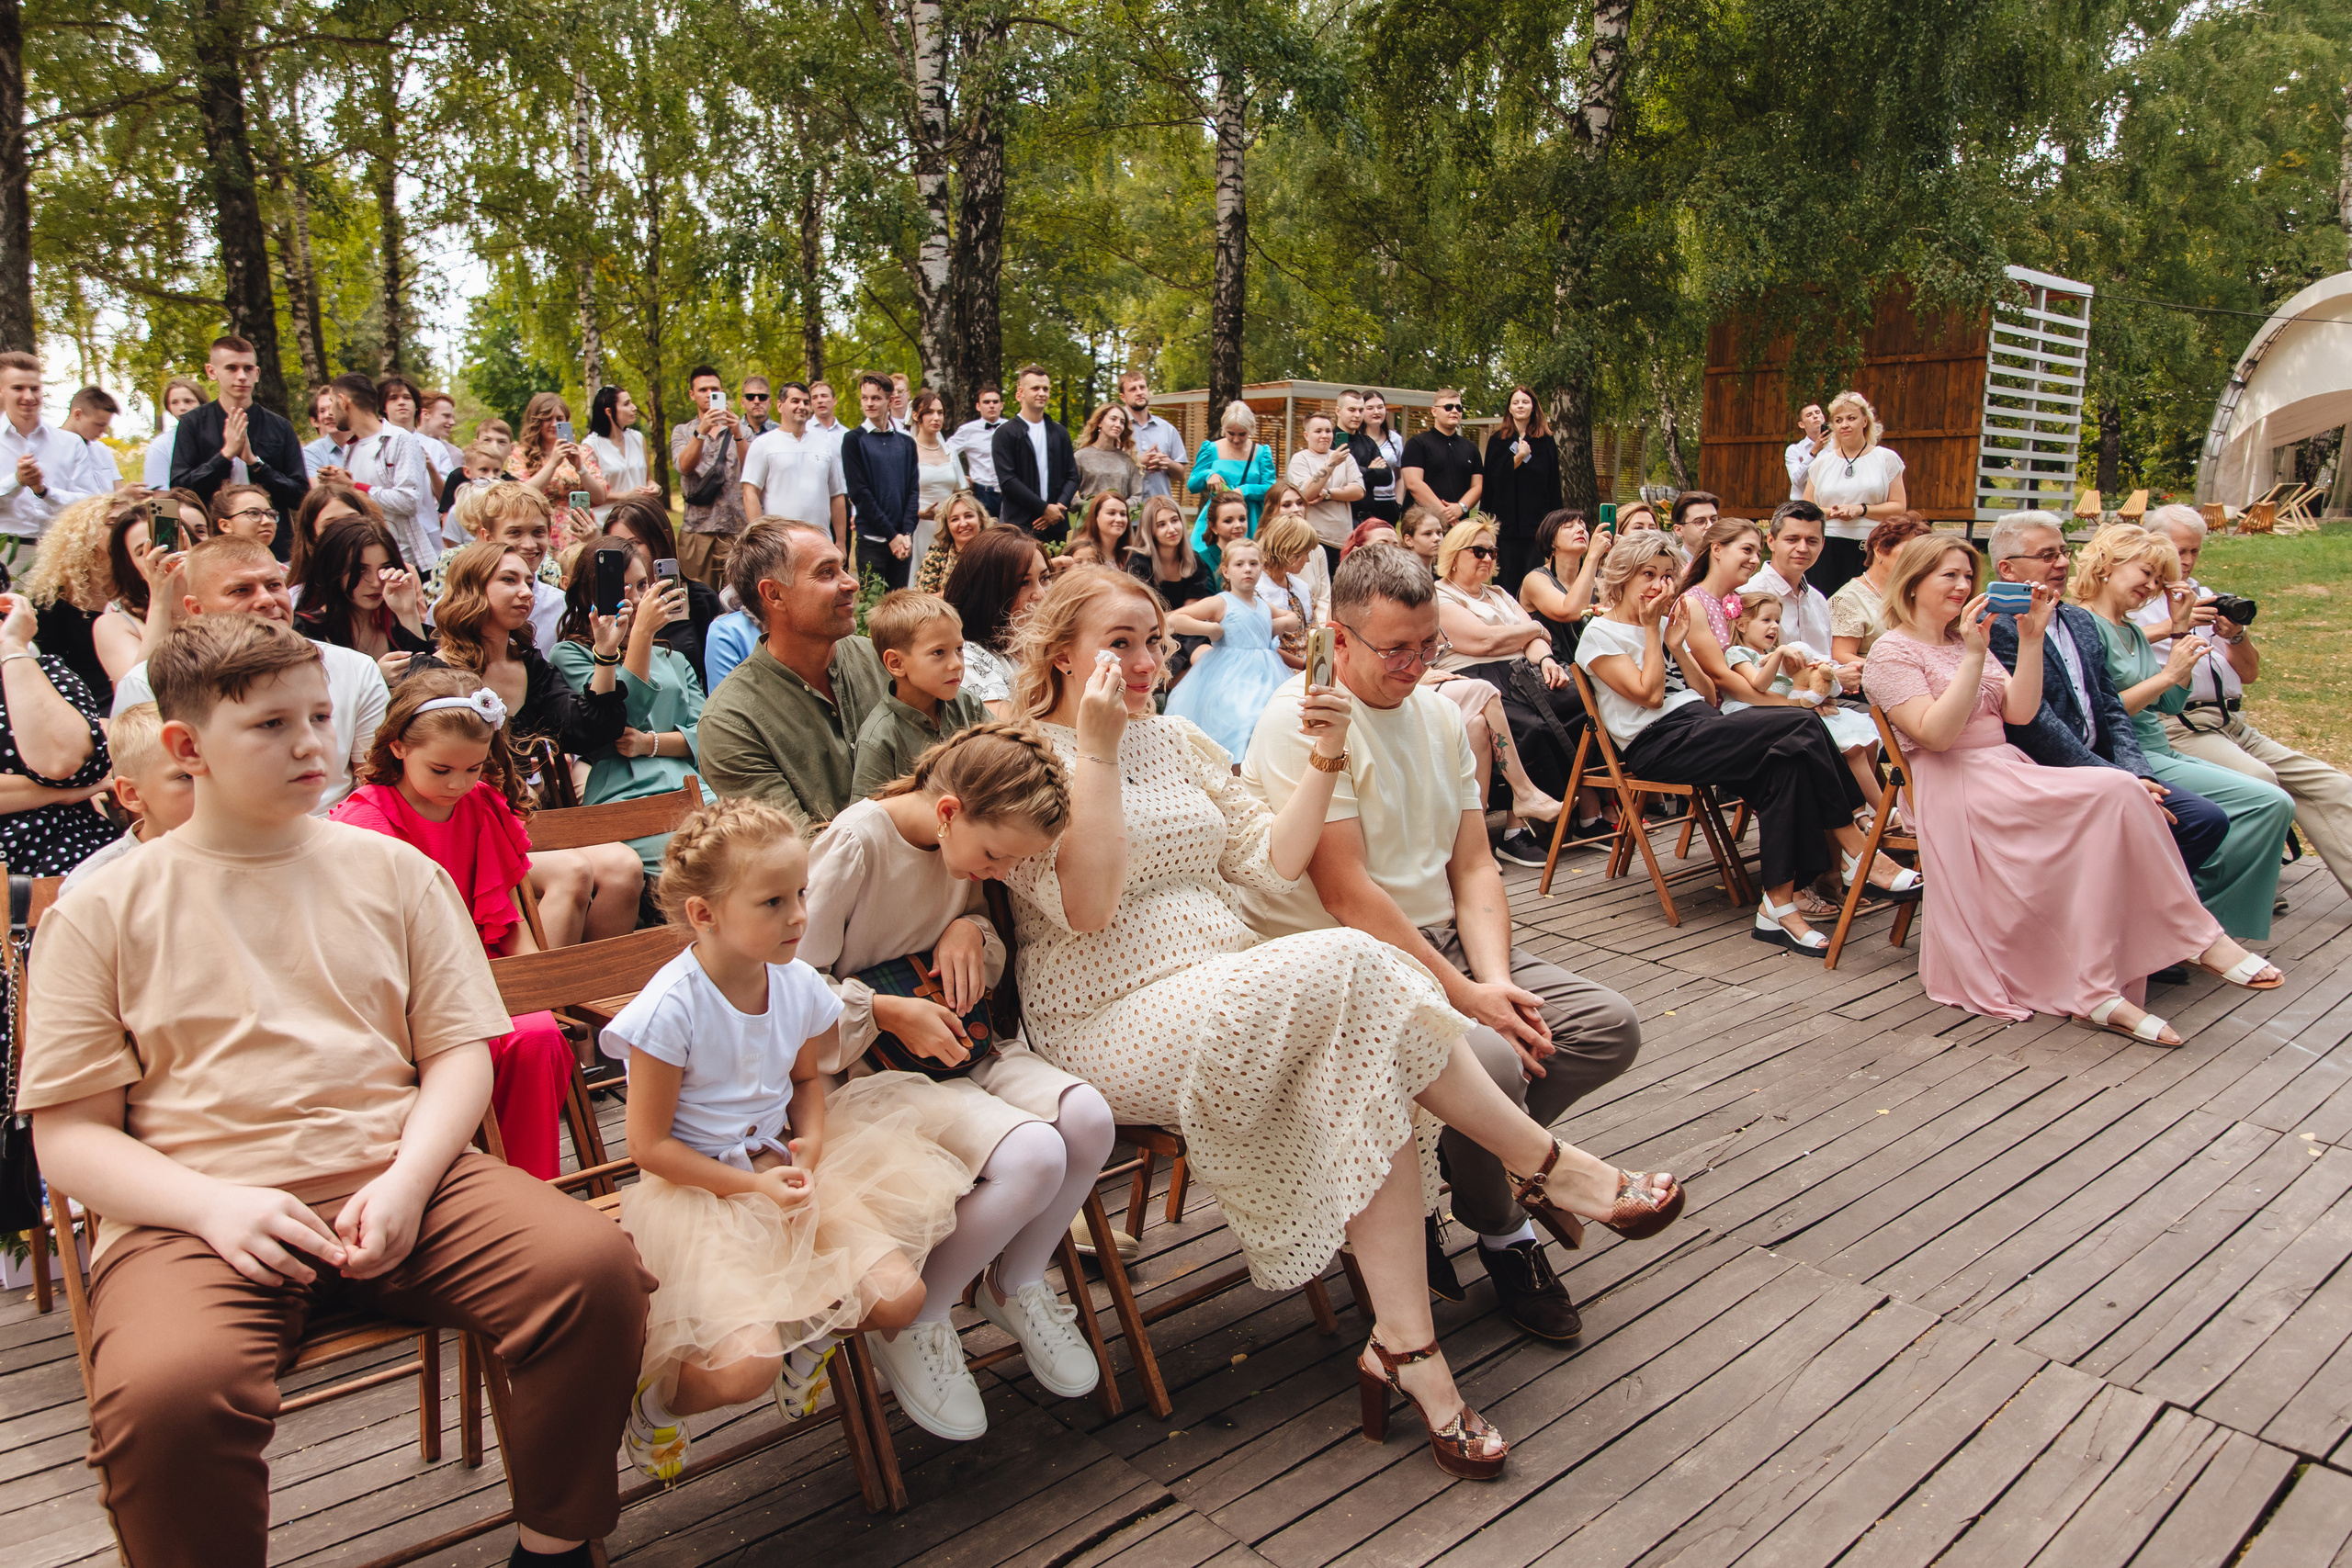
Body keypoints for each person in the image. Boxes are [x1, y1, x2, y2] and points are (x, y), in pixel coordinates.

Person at [1001, 565, 1683, 1482]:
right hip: (1109, 1009)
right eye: (1118, 644)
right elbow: (1087, 909)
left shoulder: (1178, 740)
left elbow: (1271, 861)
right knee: (1357, 962)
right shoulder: (1024, 757)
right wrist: (1095, 749)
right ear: (1061, 655)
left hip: (1220, 981)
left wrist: (1326, 757)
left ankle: (1408, 1350)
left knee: (1368, 1061)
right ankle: (1551, 1168)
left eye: (1154, 641)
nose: (1145, 661)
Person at [23, 614, 654, 1568]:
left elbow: (459, 1054)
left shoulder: (396, 872)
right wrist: (214, 1207)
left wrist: (408, 1179)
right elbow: (69, 1137)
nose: (310, 744)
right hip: (192, 1215)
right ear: (187, 747)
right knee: (166, 1399)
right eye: (271, 725)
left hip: (405, 1178)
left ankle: (554, 1548)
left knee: (592, 1272)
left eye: (319, 716)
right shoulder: (100, 909)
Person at [1241, 545, 1642, 1342]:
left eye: (1430, 645)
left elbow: (1475, 865)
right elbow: (1347, 893)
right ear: (1339, 637)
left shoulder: (1439, 711)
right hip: (1360, 956)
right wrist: (1470, 1001)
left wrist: (1493, 984)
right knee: (1496, 1061)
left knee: (1608, 1026)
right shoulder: (1304, 719)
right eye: (1397, 649)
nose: (1417, 664)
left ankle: (1466, 1161)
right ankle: (1507, 1232)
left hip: (1448, 941)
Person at [602, 796, 963, 1479]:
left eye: (800, 893)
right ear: (704, 914)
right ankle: (654, 1403)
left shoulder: (796, 984)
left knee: (899, 1297)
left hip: (781, 1162)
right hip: (697, 1188)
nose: (799, 915)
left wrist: (813, 1145)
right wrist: (752, 1187)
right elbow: (647, 1147)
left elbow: (803, 1081)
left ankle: (809, 1337)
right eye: (773, 902)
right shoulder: (669, 1010)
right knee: (745, 1368)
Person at [806, 724, 1115, 1433]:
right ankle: (918, 1313)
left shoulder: (963, 855)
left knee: (1088, 1120)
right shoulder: (858, 844)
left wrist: (972, 930)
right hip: (871, 1070)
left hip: (964, 1044)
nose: (998, 873)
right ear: (948, 811)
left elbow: (984, 941)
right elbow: (787, 986)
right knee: (1034, 1155)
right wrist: (883, 1010)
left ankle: (1014, 1280)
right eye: (996, 856)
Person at [1863, 535, 2282, 1040]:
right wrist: (1974, 656)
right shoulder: (1891, 652)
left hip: (2006, 768)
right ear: (1912, 582)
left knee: (2123, 789)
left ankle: (2130, 968)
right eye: (1948, 575)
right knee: (2114, 792)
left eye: (1967, 575)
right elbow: (1936, 736)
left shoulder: (1963, 639)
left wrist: (2032, 639)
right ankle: (2167, 952)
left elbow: (2019, 713)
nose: (1962, 585)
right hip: (1954, 783)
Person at [1577, 532, 1894, 953]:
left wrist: (1677, 647)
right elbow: (1650, 696)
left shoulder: (1668, 625)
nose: (1658, 585)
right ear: (1622, 576)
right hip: (1658, 742)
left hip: (1704, 725)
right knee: (1800, 722)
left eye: (1667, 576)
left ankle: (1778, 907)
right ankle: (1858, 848)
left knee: (1789, 765)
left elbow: (1707, 694)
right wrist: (1653, 631)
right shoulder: (1600, 634)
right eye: (1647, 574)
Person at [326, 670, 579, 1180]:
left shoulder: (481, 804)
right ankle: (468, 1178)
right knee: (477, 1046)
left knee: (540, 1035)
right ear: (398, 747)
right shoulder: (365, 824)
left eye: (473, 768)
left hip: (485, 974)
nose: (458, 784)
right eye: (441, 769)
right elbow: (369, 950)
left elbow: (508, 918)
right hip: (411, 989)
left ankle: (532, 1183)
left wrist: (540, 987)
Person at [1982, 511, 2233, 890]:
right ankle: (2114, 909)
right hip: (2043, 771)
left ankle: (2131, 910)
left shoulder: (2078, 621)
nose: (2062, 562)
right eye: (2048, 555)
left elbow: (2112, 710)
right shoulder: (1995, 625)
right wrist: (2120, 779)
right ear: (2008, 569)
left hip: (2103, 764)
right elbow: (2036, 725)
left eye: (2064, 551)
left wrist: (2138, 773)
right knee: (2158, 817)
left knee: (2204, 819)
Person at [2074, 525, 2293, 942]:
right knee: (2267, 802)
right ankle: (2193, 919)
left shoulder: (2130, 630)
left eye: (2159, 579)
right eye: (2146, 573)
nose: (2151, 586)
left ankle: (2195, 918)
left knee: (2270, 800)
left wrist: (2179, 632)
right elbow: (2097, 713)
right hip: (2131, 754)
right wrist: (2168, 674)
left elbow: (2171, 704)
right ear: (2106, 565)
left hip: (2161, 747)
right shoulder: (2083, 624)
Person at [2133, 503, 2352, 904]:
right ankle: (2246, 888)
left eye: (2195, 551)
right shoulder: (2137, 600)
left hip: (2230, 722)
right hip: (2178, 724)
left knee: (2334, 785)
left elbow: (2249, 674)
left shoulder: (2205, 596)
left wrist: (2234, 635)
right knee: (2259, 779)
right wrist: (2175, 625)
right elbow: (2109, 638)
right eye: (2179, 550)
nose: (2187, 560)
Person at [113, 536, 388, 814]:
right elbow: (148, 801)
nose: (266, 600)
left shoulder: (355, 667)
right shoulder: (147, 683)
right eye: (241, 590)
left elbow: (375, 781)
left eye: (274, 585)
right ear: (196, 609)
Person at [698, 520, 890, 829]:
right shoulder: (731, 721)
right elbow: (793, 847)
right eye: (826, 572)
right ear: (774, 594)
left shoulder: (881, 660)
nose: (851, 583)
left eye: (842, 568)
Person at [545, 546, 711, 877]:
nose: (636, 599)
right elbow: (619, 718)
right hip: (623, 791)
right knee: (698, 862)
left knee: (736, 847)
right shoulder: (571, 654)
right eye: (623, 589)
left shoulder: (675, 659)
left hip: (691, 784)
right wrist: (641, 635)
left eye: (642, 585)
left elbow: (707, 733)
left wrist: (650, 743)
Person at [1430, 518, 1573, 863]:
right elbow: (1482, 641)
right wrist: (1531, 629)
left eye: (1492, 552)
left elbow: (1536, 639)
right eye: (1478, 551)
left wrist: (1546, 659)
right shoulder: (1440, 595)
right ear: (1454, 555)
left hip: (1521, 674)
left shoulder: (1499, 594)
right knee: (1529, 727)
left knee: (1574, 712)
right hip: (1473, 677)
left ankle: (1580, 815)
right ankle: (1514, 830)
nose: (1488, 558)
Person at [0, 589, 114, 874]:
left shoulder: (42, 673)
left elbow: (62, 761)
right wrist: (60, 793)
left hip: (68, 865)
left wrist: (13, 647)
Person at [1166, 538, 1299, 763]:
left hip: (1266, 675)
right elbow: (1174, 619)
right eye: (1239, 564)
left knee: (1267, 718)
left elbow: (1293, 619)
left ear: (1261, 568)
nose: (1247, 569)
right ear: (1226, 572)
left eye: (1254, 564)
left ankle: (1258, 769)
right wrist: (1209, 629)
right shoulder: (1221, 602)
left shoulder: (1263, 605)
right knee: (1241, 722)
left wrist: (1280, 624)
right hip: (1230, 676)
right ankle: (1234, 769)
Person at [167, 338, 308, 551]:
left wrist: (256, 464)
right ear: (211, 372)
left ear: (257, 373)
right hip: (212, 545)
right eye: (231, 368)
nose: (241, 376)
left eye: (248, 368)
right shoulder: (193, 424)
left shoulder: (280, 427)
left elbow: (301, 496)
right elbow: (181, 490)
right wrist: (225, 456)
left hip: (274, 546)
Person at [850, 590, 986, 798]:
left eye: (959, 649)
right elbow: (867, 814)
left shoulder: (968, 704)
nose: (956, 664)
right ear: (896, 663)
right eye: (938, 652)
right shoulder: (880, 738)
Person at [19, 494, 151, 707]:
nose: (121, 530)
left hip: (138, 689)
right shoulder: (51, 599)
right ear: (85, 534)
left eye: (126, 524)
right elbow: (47, 666)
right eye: (111, 524)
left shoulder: (146, 586)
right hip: (81, 699)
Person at [59, 701, 190, 896]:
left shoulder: (238, 858)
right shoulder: (94, 884)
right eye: (187, 777)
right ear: (132, 794)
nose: (211, 788)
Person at [314, 373, 439, 572]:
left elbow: (409, 501)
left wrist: (353, 486)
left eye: (331, 403)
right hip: (367, 561)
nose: (330, 413)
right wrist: (340, 485)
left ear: (343, 401)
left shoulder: (400, 440)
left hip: (407, 563)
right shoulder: (350, 447)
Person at [602, 495, 727, 690]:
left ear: (663, 539)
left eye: (635, 543)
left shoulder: (699, 599)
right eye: (618, 545)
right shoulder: (607, 604)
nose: (628, 552)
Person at [1803, 389, 1906, 598]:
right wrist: (1833, 512)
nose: (1845, 425)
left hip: (1869, 547)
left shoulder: (1886, 458)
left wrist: (1860, 510)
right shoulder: (1821, 463)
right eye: (1838, 420)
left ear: (1865, 421)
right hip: (1827, 547)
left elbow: (1898, 506)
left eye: (1851, 418)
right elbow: (1807, 508)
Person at [291, 516, 431, 661]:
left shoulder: (396, 623)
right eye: (360, 570)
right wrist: (376, 674)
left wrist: (408, 613)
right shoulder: (306, 633)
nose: (376, 583)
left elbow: (429, 671)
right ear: (333, 570)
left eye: (384, 568)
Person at [946, 525, 1049, 718]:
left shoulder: (1042, 644)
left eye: (1044, 578)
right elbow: (1011, 730)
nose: (1041, 594)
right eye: (1024, 583)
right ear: (987, 593)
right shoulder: (968, 657)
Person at [740, 379, 848, 545]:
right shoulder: (763, 444)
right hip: (780, 542)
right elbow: (750, 493)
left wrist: (840, 541)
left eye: (806, 402)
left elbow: (837, 496)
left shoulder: (825, 446)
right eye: (795, 401)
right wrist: (760, 537)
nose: (802, 406)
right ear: (780, 406)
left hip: (820, 541)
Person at [673, 367, 754, 589]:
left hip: (737, 528)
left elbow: (752, 469)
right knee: (698, 597)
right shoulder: (683, 431)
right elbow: (684, 466)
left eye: (715, 389)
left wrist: (737, 434)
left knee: (739, 597)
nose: (709, 394)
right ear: (692, 395)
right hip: (697, 528)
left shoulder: (744, 431)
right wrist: (701, 431)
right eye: (703, 390)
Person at [842, 373, 921, 590]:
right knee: (872, 606)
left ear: (889, 400)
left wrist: (906, 533)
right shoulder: (853, 439)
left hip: (902, 542)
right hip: (872, 540)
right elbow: (859, 493)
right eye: (864, 398)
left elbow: (913, 491)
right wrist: (891, 536)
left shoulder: (906, 443)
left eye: (876, 398)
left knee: (900, 605)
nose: (869, 403)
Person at [1828, 512, 1934, 666]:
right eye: (1909, 551)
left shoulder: (1919, 591)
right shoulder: (1847, 600)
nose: (1917, 559)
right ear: (1879, 549)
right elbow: (1840, 656)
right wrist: (1898, 669)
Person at [1482, 388, 1557, 593]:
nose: (1520, 406)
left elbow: (1553, 483)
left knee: (1534, 581)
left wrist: (1554, 525)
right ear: (1509, 409)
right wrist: (1519, 456)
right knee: (1505, 581)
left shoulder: (1545, 440)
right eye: (1516, 403)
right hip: (1505, 525)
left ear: (1533, 407)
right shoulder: (1498, 440)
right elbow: (1493, 480)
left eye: (1525, 402)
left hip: (1536, 525)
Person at [992, 365, 1079, 541]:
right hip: (1020, 525)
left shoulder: (1060, 433)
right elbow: (1008, 481)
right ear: (1020, 393)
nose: (1042, 393)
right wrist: (1044, 509)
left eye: (1045, 389)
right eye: (1035, 388)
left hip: (1056, 524)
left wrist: (1059, 507)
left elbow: (1072, 476)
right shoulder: (1005, 433)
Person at [508, 392, 607, 538]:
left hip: (578, 532)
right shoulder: (520, 454)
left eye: (560, 419)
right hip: (539, 532)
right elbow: (519, 497)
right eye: (547, 419)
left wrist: (580, 468)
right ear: (536, 422)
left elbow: (600, 497)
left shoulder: (582, 452)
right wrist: (553, 463)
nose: (554, 424)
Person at [1519, 507, 1605, 665]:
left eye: (1583, 526)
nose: (1580, 530)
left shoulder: (1598, 581)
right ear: (1551, 541)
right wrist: (1593, 557)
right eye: (1569, 526)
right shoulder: (1535, 579)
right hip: (1552, 668)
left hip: (1593, 666)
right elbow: (1570, 611)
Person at [1186, 398, 1275, 549]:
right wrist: (1208, 474)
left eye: (1242, 434)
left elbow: (1271, 489)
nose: (1236, 439)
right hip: (1219, 517)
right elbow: (1192, 485)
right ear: (1224, 428)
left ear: (1251, 429)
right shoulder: (1210, 449)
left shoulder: (1261, 453)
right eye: (1231, 433)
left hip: (1250, 518)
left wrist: (1244, 490)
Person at [1287, 412, 1365, 570]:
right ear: (1306, 435)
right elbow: (1307, 493)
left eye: (1328, 431)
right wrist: (1331, 464)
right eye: (1318, 431)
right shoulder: (1300, 459)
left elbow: (1359, 491)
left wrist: (1328, 494)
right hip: (1313, 540)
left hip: (1342, 541)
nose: (1324, 435)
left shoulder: (1346, 458)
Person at [905, 389, 969, 570]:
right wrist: (918, 513)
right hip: (919, 526)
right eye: (929, 412)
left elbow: (961, 492)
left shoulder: (950, 451)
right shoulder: (908, 451)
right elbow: (897, 495)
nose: (936, 418)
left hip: (949, 527)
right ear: (916, 416)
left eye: (940, 413)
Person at [1401, 389, 1483, 528]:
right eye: (1448, 407)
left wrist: (1461, 507)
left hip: (1458, 525)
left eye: (1458, 407)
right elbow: (1413, 483)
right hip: (1421, 524)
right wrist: (1444, 513)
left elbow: (1478, 485)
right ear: (1434, 411)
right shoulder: (1417, 443)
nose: (1454, 411)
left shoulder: (1471, 448)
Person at [585, 385, 662, 525]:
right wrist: (627, 496)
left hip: (640, 519)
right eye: (626, 404)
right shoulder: (591, 445)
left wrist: (655, 488)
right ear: (609, 411)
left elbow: (648, 479)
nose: (634, 407)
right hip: (608, 522)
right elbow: (592, 495)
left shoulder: (638, 438)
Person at [1255, 507, 1332, 633]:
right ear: (1289, 551)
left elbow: (1313, 630)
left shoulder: (1300, 587)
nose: (1308, 560)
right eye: (1305, 553)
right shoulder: (1255, 589)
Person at [1119, 371, 1189, 501]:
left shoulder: (1167, 429)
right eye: (1133, 389)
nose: (1139, 392)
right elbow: (1106, 471)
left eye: (1142, 387)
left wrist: (1167, 463)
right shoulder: (1117, 427)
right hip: (1125, 508)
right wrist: (1138, 463)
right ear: (1123, 397)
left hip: (1161, 508)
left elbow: (1181, 474)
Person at [946, 384, 1007, 519]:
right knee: (984, 531)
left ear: (1001, 405)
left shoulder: (1012, 427)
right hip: (982, 493)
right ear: (978, 406)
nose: (991, 405)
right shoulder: (967, 431)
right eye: (986, 402)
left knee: (1011, 530)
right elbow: (946, 452)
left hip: (1009, 491)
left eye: (995, 402)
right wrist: (959, 477)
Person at [915, 490, 990, 596]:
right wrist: (953, 593)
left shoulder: (995, 552)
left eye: (968, 516)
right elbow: (921, 599)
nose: (963, 524)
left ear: (980, 520)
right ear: (947, 526)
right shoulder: (936, 554)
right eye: (955, 519)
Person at [140, 376, 207, 491]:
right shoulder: (160, 445)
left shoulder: (223, 435)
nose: (182, 407)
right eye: (174, 402)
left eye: (188, 401)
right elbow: (158, 493)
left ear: (202, 403)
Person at [1351, 390, 1406, 525]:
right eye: (1370, 408)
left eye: (1380, 407)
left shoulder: (1395, 439)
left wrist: (1398, 503)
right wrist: (1371, 471)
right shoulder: (1355, 439)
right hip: (1363, 503)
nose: (1376, 412)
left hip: (1388, 504)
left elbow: (1399, 476)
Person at [1073, 403, 1140, 508]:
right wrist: (1090, 506)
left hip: (1119, 517)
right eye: (1113, 419)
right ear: (1100, 422)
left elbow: (1137, 496)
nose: (1118, 425)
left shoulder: (1127, 460)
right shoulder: (1081, 457)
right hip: (1089, 517)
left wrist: (1117, 507)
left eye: (1122, 422)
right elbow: (1068, 494)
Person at [1784, 401, 1826, 501]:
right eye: (1809, 415)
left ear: (1823, 418)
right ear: (1801, 424)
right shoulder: (1794, 450)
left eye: (1817, 412)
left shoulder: (1836, 446)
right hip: (1803, 505)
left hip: (1830, 504)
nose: (1815, 416)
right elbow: (1797, 480)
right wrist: (1813, 453)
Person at [1668, 491, 1719, 570]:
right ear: (1679, 530)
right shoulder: (1671, 567)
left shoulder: (1729, 562)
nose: (1710, 526)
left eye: (1713, 520)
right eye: (1700, 521)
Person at [300, 384, 341, 482]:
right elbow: (318, 490)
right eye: (322, 411)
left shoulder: (366, 444)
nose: (327, 415)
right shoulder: (310, 453)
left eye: (332, 408)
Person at [1401, 505, 1446, 572]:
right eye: (1427, 534)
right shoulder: (1400, 575)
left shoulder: (1443, 574)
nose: (1437, 538)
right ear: (1409, 540)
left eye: (1439, 532)